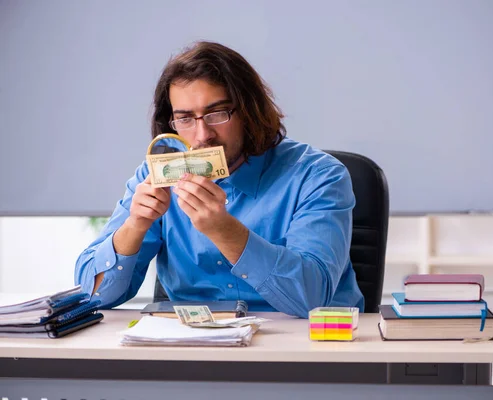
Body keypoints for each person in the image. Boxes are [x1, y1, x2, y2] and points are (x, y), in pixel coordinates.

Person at [74, 41, 364, 318]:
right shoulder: (156, 176)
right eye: (186, 119)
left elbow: (313, 298)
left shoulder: (318, 176)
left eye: (217, 113)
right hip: (193, 349)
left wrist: (224, 231)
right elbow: (92, 296)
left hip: (307, 351)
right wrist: (134, 226)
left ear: (249, 112)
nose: (202, 136)